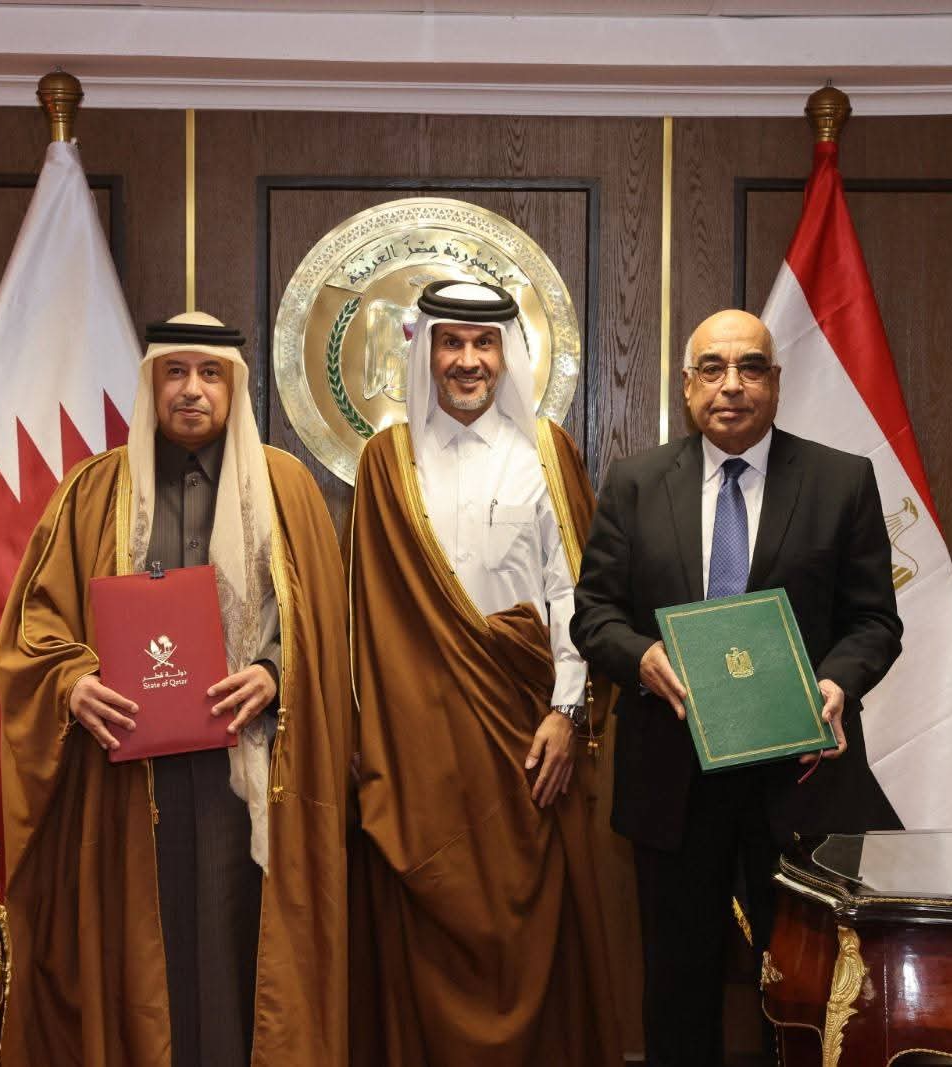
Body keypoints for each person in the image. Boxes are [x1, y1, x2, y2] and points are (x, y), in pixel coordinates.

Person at [0, 312, 350, 1067]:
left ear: (235, 386)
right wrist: (73, 682)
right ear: (151, 382)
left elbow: (326, 626)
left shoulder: (285, 487)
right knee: (145, 959)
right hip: (130, 781)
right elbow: (34, 626)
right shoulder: (95, 491)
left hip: (248, 773)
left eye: (210, 373)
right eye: (175, 372)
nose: (192, 389)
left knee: (238, 954)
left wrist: (274, 672)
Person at [571, 308, 903, 1066]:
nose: (732, 385)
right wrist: (641, 656)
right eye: (713, 368)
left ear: (776, 383)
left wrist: (835, 682)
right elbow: (594, 615)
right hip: (673, 780)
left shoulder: (841, 480)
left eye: (751, 367)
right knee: (676, 989)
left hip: (799, 781)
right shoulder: (634, 483)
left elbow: (875, 622)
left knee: (807, 992)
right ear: (687, 385)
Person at [347, 280, 621, 1066]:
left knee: (533, 931)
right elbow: (364, 620)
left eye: (484, 343)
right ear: (426, 351)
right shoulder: (386, 462)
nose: (468, 361)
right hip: (416, 751)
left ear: (507, 354)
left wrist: (567, 713)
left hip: (526, 742)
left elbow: (575, 597)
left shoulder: (546, 453)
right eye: (452, 343)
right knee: (425, 936)